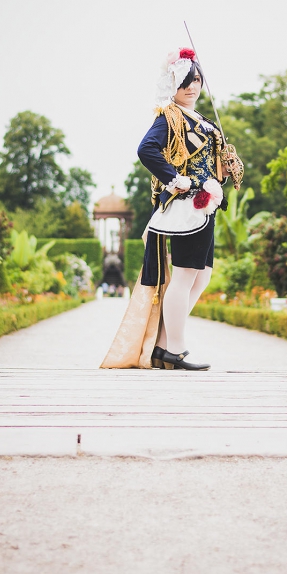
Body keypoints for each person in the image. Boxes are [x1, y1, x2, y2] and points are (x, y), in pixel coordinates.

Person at [100, 47, 231, 372]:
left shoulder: (201, 119)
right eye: (185, 80)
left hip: (208, 204)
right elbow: (147, 150)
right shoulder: (169, 115)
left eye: (196, 79)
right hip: (187, 206)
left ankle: (162, 345)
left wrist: (225, 168)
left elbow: (210, 162)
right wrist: (176, 179)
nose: (192, 86)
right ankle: (175, 350)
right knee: (186, 276)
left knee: (202, 277)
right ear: (171, 83)